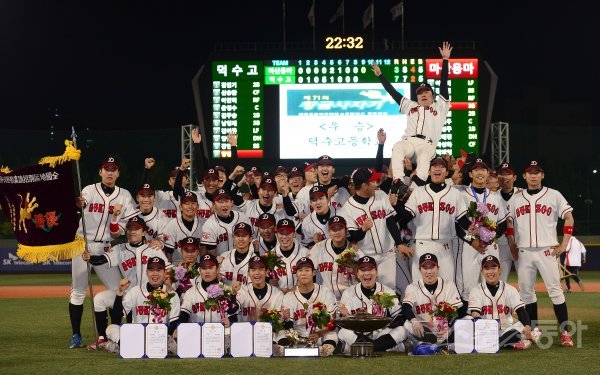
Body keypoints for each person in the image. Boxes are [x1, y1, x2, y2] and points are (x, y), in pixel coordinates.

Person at [69, 156, 136, 349]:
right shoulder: (89, 189)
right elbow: (81, 202)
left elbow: (117, 233)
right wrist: (79, 202)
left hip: (107, 247)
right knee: (78, 292)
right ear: (100, 172)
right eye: (106, 169)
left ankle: (113, 332)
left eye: (113, 169)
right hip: (82, 244)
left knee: (118, 291)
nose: (109, 172)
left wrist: (115, 217)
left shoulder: (124, 196)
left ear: (118, 173)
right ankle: (76, 335)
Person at [507, 160, 575, 346]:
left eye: (537, 172)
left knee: (555, 291)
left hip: (547, 250)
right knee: (526, 294)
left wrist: (564, 244)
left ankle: (565, 332)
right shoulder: (516, 199)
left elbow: (569, 217)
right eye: (530, 172)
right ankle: (533, 330)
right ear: (524, 176)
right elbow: (509, 224)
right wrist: (512, 245)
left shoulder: (554, 195)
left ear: (542, 175)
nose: (533, 175)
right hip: (524, 251)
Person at [371, 42, 452, 188]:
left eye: (426, 92)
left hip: (427, 144)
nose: (423, 95)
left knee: (424, 156)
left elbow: (444, 84)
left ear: (433, 95)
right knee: (397, 146)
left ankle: (415, 188)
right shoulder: (411, 106)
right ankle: (399, 181)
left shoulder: (440, 107)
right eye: (420, 93)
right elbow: (394, 93)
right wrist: (380, 76)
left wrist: (445, 60)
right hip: (409, 142)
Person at [396, 157, 463, 284]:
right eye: (434, 166)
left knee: (447, 287)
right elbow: (406, 217)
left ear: (447, 173)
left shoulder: (455, 194)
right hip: (422, 244)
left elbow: (463, 222)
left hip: (445, 246)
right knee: (419, 287)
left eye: (442, 166)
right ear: (429, 171)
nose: (437, 168)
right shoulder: (418, 192)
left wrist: (473, 239)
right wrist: (396, 205)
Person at [340, 167, 404, 289]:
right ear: (364, 185)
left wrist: (399, 243)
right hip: (365, 255)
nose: (376, 184)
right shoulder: (348, 208)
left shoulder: (381, 195)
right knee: (368, 291)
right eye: (373, 181)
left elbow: (390, 221)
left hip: (387, 254)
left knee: (388, 290)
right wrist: (362, 229)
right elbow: (353, 236)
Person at [456, 158, 508, 306]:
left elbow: (503, 224)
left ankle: (492, 318)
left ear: (488, 174)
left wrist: (491, 238)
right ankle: (470, 318)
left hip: (490, 246)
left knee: (492, 282)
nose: (480, 172)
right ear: (471, 174)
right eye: (476, 170)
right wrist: (472, 241)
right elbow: (457, 225)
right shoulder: (462, 195)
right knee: (469, 286)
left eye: (483, 169)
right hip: (469, 245)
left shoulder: (495, 197)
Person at [103, 257, 181, 353]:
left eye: (159, 270)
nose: (155, 273)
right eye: (151, 270)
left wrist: (160, 339)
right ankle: (134, 347)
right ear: (147, 272)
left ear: (164, 273)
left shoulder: (171, 294)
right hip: (137, 335)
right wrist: (119, 292)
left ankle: (125, 347)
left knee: (180, 346)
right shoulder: (136, 291)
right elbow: (116, 317)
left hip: (161, 337)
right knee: (111, 328)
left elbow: (173, 323)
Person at [338, 256, 407, 354]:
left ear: (376, 272)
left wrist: (388, 324)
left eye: (370, 269)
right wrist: (344, 315)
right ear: (357, 273)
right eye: (362, 270)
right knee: (343, 333)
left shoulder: (387, 291)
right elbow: (343, 323)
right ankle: (386, 347)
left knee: (402, 330)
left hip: (381, 333)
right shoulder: (348, 293)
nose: (367, 273)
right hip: (358, 334)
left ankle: (365, 347)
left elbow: (399, 317)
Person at [468, 255, 533, 350]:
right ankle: (507, 344)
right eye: (486, 268)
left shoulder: (510, 290)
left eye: (493, 268)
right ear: (482, 272)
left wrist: (527, 326)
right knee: (468, 324)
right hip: (484, 331)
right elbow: (475, 315)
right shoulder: (476, 290)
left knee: (518, 332)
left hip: (506, 330)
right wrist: (486, 330)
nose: (490, 272)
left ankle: (493, 344)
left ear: (499, 270)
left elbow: (521, 310)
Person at [277, 257, 338, 357]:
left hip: (319, 336)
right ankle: (285, 350)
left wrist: (320, 333)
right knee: (281, 333)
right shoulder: (289, 296)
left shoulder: (325, 292)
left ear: (313, 273)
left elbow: (332, 322)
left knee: (332, 334)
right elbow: (287, 325)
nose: (303, 273)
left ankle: (324, 350)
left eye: (307, 270)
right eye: (300, 270)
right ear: (296, 274)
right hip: (296, 337)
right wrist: (285, 319)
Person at [402, 253, 462, 345]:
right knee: (407, 324)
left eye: (432, 267)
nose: (429, 271)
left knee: (464, 320)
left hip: (443, 329)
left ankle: (427, 344)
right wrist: (414, 321)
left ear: (438, 268)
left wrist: (448, 326)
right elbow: (406, 307)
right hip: (422, 329)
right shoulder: (412, 287)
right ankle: (436, 344)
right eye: (425, 268)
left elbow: (457, 310)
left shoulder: (449, 285)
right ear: (420, 270)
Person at [309, 216, 365, 299]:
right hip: (326, 299)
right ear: (329, 232)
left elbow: (366, 279)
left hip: (351, 298)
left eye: (340, 228)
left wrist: (355, 270)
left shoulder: (356, 251)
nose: (337, 232)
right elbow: (308, 271)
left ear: (346, 231)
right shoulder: (319, 248)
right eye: (334, 229)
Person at [178, 254, 239, 325]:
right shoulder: (191, 292)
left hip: (221, 333)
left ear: (217, 269)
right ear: (200, 271)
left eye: (210, 267)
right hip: (197, 334)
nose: (207, 271)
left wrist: (230, 323)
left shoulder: (227, 291)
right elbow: (183, 316)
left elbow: (233, 318)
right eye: (204, 268)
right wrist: (178, 329)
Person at [200, 188, 251, 256]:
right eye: (220, 202)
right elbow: (212, 254)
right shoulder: (209, 225)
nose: (224, 205)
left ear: (232, 203)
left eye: (226, 201)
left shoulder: (243, 217)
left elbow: (250, 241)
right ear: (214, 205)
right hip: (221, 264)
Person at [235, 255, 285, 322]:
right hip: (246, 331)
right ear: (248, 273)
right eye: (253, 269)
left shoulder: (277, 294)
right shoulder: (242, 292)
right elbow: (231, 310)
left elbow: (279, 322)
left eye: (261, 269)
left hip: (269, 332)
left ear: (266, 272)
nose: (257, 273)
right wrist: (233, 294)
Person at [496, 163, 521, 282]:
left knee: (526, 283)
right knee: (499, 282)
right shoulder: (491, 197)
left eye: (508, 174)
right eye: (501, 174)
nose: (504, 177)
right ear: (497, 177)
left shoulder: (524, 194)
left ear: (514, 177)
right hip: (500, 245)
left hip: (520, 244)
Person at [162, 191, 204, 263]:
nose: (190, 206)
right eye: (186, 204)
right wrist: (170, 271)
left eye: (193, 203)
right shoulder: (172, 225)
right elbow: (168, 253)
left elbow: (204, 249)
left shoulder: (204, 224)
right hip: (176, 265)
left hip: (198, 266)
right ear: (180, 207)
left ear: (198, 207)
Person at [272, 219, 310, 293]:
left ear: (294, 234)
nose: (284, 236)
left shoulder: (305, 253)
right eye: (281, 233)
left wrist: (297, 288)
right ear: (276, 234)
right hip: (278, 297)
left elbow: (311, 278)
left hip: (301, 296)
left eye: (288, 233)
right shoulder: (270, 255)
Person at [219, 222, 256, 286]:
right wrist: (217, 266)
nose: (240, 239)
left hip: (246, 295)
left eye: (244, 235)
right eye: (238, 235)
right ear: (233, 237)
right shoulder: (224, 256)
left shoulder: (255, 260)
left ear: (250, 239)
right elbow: (218, 282)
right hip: (225, 294)